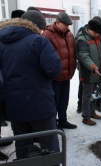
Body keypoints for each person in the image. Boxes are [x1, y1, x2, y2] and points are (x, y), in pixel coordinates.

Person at [0, 10, 61, 159]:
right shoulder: (38, 40)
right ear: (37, 26)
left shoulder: (1, 41)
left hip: (14, 104)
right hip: (40, 104)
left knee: (22, 143)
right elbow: (54, 70)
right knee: (49, 143)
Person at [43, 12, 77, 129]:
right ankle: (53, 124)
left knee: (64, 100)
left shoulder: (69, 35)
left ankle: (63, 120)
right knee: (54, 101)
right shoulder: (47, 35)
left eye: (69, 25)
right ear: (57, 23)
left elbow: (73, 52)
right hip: (55, 75)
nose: (68, 27)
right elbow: (45, 56)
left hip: (66, 74)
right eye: (65, 25)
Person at [75, 19, 101, 126]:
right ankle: (85, 116)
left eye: (98, 33)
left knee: (94, 93)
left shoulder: (96, 38)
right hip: (88, 72)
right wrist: (93, 67)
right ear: (89, 29)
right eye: (95, 32)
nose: (97, 34)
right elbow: (83, 56)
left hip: (97, 72)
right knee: (87, 94)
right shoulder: (82, 40)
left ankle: (92, 112)